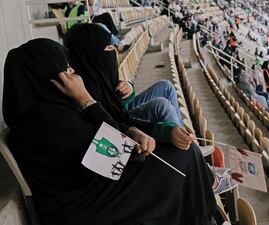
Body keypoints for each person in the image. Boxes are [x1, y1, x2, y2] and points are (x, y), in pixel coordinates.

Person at [3, 38, 217, 225]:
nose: (72, 72)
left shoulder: (40, 112)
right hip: (82, 209)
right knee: (183, 157)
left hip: (86, 192)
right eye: (65, 67)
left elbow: (106, 132)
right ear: (48, 76)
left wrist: (133, 131)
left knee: (181, 156)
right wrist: (85, 98)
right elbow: (123, 153)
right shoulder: (50, 123)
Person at [64, 24, 184, 127]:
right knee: (160, 105)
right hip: (118, 119)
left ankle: (184, 135)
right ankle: (186, 145)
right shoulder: (77, 85)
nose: (113, 52)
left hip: (119, 107)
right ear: (90, 54)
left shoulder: (91, 69)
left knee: (165, 86)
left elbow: (112, 90)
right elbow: (110, 117)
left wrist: (129, 87)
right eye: (108, 47)